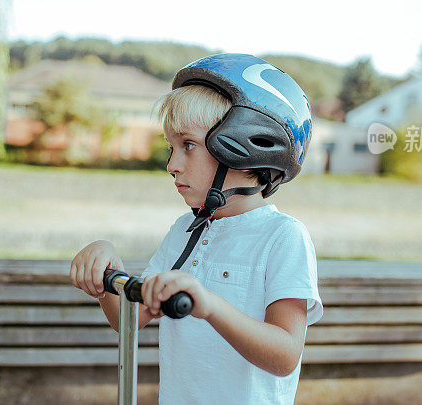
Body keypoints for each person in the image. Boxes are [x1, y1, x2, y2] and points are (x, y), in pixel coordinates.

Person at [70, 53, 322, 404]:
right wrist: (108, 272)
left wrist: (210, 306)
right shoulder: (184, 231)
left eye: (188, 146)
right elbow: (131, 317)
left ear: (244, 146)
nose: (172, 165)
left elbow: (284, 355)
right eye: (171, 148)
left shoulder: (282, 237)